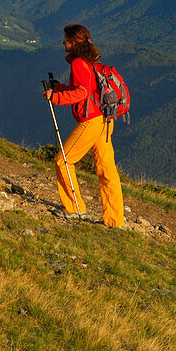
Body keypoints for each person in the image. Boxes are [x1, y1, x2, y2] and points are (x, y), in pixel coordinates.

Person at [43, 24, 125, 227]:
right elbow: (85, 88)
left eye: (65, 40)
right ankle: (115, 220)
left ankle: (73, 208)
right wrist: (60, 87)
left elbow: (81, 93)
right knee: (107, 170)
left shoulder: (79, 63)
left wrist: (56, 96)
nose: (63, 43)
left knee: (63, 160)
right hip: (105, 120)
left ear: (73, 41)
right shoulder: (89, 61)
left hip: (91, 122)